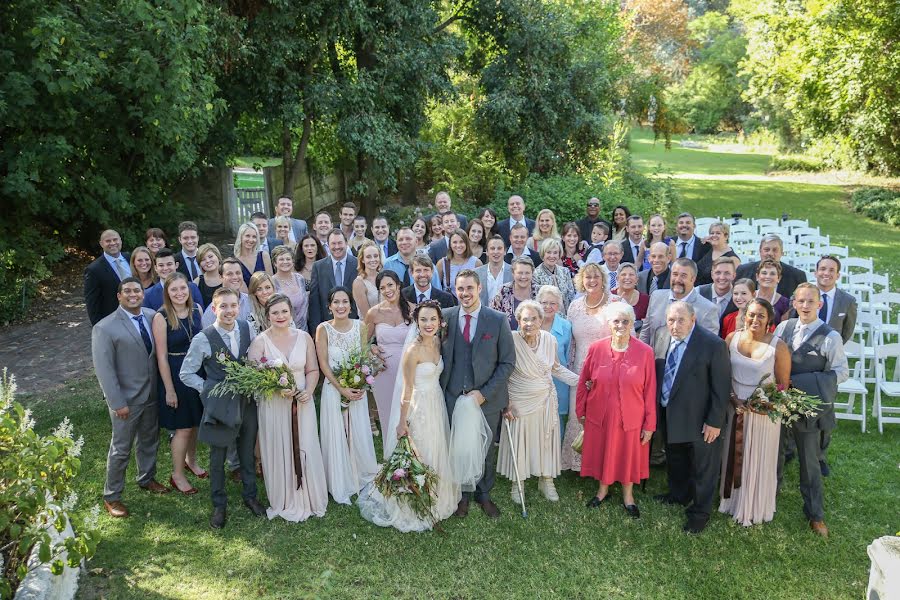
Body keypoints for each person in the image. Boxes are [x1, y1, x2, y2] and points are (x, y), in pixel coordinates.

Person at [357, 300, 463, 531]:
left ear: (440, 322)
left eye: (433, 319)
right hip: (418, 406)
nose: (428, 323)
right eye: (423, 319)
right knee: (420, 450)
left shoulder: (437, 341)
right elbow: (406, 390)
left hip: (436, 403)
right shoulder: (412, 351)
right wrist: (402, 421)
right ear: (416, 321)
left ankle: (436, 495)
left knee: (436, 446)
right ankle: (412, 499)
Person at [181, 287, 267, 528]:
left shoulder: (247, 328)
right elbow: (186, 373)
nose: (229, 311)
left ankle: (250, 496)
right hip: (220, 405)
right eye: (223, 306)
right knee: (218, 456)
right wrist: (209, 390)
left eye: (233, 306)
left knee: (247, 451)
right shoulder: (203, 338)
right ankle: (219, 504)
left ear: (238, 307)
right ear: (214, 308)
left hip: (246, 401)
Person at [774, 284, 849, 537]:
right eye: (800, 301)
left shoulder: (830, 337)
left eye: (810, 301)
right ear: (794, 303)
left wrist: (802, 383)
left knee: (809, 461)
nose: (805, 306)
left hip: (809, 407)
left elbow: (841, 372)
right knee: (773, 454)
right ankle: (768, 499)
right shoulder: (784, 328)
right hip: (779, 402)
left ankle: (815, 514)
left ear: (820, 305)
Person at [441, 270, 516, 518]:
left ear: (479, 288)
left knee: (485, 447)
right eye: (460, 289)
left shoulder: (496, 320)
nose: (465, 294)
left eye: (469, 288)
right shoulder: (447, 317)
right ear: (455, 290)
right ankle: (461, 494)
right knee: (457, 446)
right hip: (453, 395)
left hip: (486, 399)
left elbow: (507, 362)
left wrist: (484, 394)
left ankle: (484, 493)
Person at [93, 278, 169, 517]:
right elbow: (104, 370)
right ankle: (112, 496)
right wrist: (117, 403)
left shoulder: (151, 316)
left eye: (137, 290)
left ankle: (146, 478)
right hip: (126, 399)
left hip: (151, 393)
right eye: (127, 291)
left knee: (149, 440)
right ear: (119, 296)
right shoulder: (105, 328)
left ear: (143, 294)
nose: (133, 294)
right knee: (121, 448)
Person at [247, 294, 328, 522]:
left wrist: (309, 391)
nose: (280, 316)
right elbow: (253, 374)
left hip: (302, 402)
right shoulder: (260, 341)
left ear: (291, 312)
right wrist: (275, 388)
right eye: (275, 313)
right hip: (274, 404)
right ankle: (284, 497)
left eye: (284, 311)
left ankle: (308, 495)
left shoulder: (304, 337)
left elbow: (312, 370)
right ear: (267, 315)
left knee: (306, 443)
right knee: (278, 444)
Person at [654, 301, 731, 533]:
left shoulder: (712, 345)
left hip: (700, 419)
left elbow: (721, 387)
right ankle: (678, 495)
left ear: (693, 320)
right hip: (670, 412)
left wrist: (715, 421)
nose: (675, 326)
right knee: (676, 460)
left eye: (680, 320)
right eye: (671, 320)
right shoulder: (663, 338)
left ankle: (700, 512)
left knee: (703, 468)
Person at [577, 302, 655, 519]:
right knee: (604, 452)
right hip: (600, 415)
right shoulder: (596, 348)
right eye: (616, 321)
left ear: (632, 323)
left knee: (627, 455)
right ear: (608, 324)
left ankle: (628, 496)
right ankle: (602, 491)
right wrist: (581, 410)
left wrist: (650, 425)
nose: (620, 325)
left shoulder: (645, 352)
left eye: (625, 321)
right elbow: (584, 380)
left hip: (631, 417)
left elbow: (650, 391)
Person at [718, 298, 791, 527]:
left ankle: (753, 506)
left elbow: (782, 385)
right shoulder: (731, 339)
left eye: (760, 315)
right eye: (751, 314)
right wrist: (733, 399)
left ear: (769, 319)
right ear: (744, 315)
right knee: (732, 454)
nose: (754, 319)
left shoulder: (778, 347)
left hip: (763, 414)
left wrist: (764, 404)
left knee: (757, 458)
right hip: (735, 408)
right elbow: (724, 375)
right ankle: (730, 502)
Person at [499, 300, 579, 503]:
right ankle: (518, 483)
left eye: (534, 318)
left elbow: (556, 368)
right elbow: (502, 373)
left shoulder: (549, 340)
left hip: (545, 399)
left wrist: (581, 381)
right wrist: (504, 403)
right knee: (521, 441)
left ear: (541, 320)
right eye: (525, 319)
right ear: (518, 321)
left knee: (545, 441)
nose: (529, 323)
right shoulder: (510, 340)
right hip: (518, 400)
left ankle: (546, 479)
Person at [315, 287, 379, 504]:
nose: (341, 306)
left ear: (350, 305)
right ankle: (339, 477)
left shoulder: (360, 327)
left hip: (356, 389)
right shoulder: (323, 329)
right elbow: (323, 363)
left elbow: (363, 357)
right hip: (334, 389)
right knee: (337, 432)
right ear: (329, 306)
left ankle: (358, 472)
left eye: (344, 302)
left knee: (357, 431)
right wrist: (341, 388)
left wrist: (360, 382)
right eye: (336, 302)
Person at [560, 263, 622, 472]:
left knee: (602, 416)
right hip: (579, 368)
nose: (592, 281)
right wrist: (569, 371)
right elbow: (571, 342)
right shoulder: (575, 306)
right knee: (578, 414)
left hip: (607, 369)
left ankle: (600, 462)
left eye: (596, 276)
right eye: (587, 277)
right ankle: (575, 461)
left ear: (603, 278)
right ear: (581, 280)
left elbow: (621, 337)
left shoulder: (615, 303)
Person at [151, 273, 205, 495]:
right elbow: (161, 356)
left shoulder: (197, 311)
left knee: (194, 424)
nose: (179, 293)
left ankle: (190, 461)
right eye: (174, 290)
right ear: (167, 293)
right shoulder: (161, 317)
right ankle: (177, 474)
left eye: (183, 288)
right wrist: (170, 389)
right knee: (182, 427)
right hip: (175, 372)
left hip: (198, 371)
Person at [365, 270, 413, 454]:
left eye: (390, 285)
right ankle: (392, 459)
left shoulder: (413, 309)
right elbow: (363, 344)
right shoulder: (373, 313)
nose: (387, 290)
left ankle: (413, 459)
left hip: (409, 371)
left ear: (399, 285)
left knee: (410, 415)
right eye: (382, 287)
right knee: (387, 414)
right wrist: (372, 349)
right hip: (384, 373)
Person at [639, 257, 719, 349]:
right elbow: (646, 333)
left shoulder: (707, 310)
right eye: (675, 274)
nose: (677, 279)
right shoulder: (656, 297)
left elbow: (709, 347)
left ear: (693, 279)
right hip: (655, 361)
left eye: (683, 276)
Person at [538, 286, 574, 432]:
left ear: (558, 306)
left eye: (552, 303)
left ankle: (555, 454)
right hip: (534, 384)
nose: (548, 307)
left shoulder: (566, 326)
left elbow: (569, 356)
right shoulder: (530, 323)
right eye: (544, 302)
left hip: (558, 384)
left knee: (556, 427)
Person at [308, 229, 359, 333]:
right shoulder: (318, 267)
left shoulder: (357, 264)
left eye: (340, 243)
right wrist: (315, 332)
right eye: (333, 243)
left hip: (354, 325)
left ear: (346, 243)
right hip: (327, 327)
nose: (337, 247)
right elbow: (315, 303)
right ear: (328, 245)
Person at [736, 234, 807, 298]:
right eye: (766, 250)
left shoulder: (797, 276)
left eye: (775, 250)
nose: (770, 253)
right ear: (760, 251)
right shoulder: (743, 271)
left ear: (782, 253)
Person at [85, 229, 132, 326]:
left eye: (115, 240)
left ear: (121, 241)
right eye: (108, 241)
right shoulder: (94, 270)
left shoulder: (130, 258)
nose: (112, 243)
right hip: (113, 320)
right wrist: (98, 327)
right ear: (101, 243)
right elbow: (92, 303)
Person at [808, 255, 857, 344]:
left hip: (831, 351)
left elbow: (847, 331)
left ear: (837, 275)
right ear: (815, 273)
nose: (826, 273)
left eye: (831, 270)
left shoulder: (848, 301)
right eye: (823, 269)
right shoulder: (803, 295)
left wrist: (833, 347)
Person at [491, 257, 539, 330]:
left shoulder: (540, 292)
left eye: (527, 273)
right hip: (508, 338)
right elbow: (493, 317)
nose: (523, 277)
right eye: (520, 273)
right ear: (513, 273)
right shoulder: (503, 291)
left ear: (532, 273)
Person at [201, 257, 252, 327]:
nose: (235, 277)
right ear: (220, 277)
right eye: (229, 274)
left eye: (238, 273)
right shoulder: (211, 312)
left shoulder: (251, 301)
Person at [532, 238, 576, 314]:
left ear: (559, 255)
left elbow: (571, 297)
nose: (552, 256)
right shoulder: (536, 274)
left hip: (566, 317)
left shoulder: (565, 271)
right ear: (543, 254)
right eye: (548, 252)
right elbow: (536, 300)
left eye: (555, 253)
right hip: (545, 318)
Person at [272, 246, 309, 332]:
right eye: (281, 259)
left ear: (292, 261)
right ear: (275, 263)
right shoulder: (271, 282)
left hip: (304, 329)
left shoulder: (300, 279)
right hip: (283, 330)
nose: (285, 262)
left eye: (288, 259)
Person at [698, 256, 739, 331]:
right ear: (712, 274)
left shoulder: (739, 297)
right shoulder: (698, 293)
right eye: (718, 273)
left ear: (734, 275)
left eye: (727, 273)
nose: (722, 277)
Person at [437, 229, 482, 296]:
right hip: (450, 305)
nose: (458, 245)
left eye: (461, 242)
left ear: (466, 243)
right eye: (455, 242)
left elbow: (481, 289)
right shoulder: (442, 263)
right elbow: (436, 289)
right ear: (450, 244)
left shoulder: (476, 263)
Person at [475, 235, 512, 307]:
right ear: (487, 252)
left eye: (499, 248)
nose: (496, 252)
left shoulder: (513, 272)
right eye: (492, 248)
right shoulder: (477, 273)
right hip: (483, 315)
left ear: (505, 251)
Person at [234, 223, 273, 290]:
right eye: (247, 236)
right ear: (241, 237)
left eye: (254, 237)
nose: (251, 240)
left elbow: (271, 283)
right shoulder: (235, 262)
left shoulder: (264, 256)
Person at [352, 239, 383, 319]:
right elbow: (367, 316)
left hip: (387, 326)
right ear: (362, 259)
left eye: (376, 256)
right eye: (368, 257)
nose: (373, 260)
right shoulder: (359, 283)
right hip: (369, 327)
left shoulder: (384, 278)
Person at [755, 259, 790, 324]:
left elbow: (783, 328)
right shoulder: (748, 296)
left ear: (778, 278)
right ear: (757, 276)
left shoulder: (785, 303)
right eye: (764, 273)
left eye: (772, 274)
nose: (768, 276)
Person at [246, 272, 279, 338]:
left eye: (268, 287)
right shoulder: (251, 316)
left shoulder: (283, 307)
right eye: (259, 289)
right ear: (254, 292)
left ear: (273, 288)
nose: (264, 292)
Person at [195, 243, 223, 308]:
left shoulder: (229, 276)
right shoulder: (197, 282)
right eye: (203, 259)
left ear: (218, 256)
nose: (207, 261)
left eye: (210, 256)